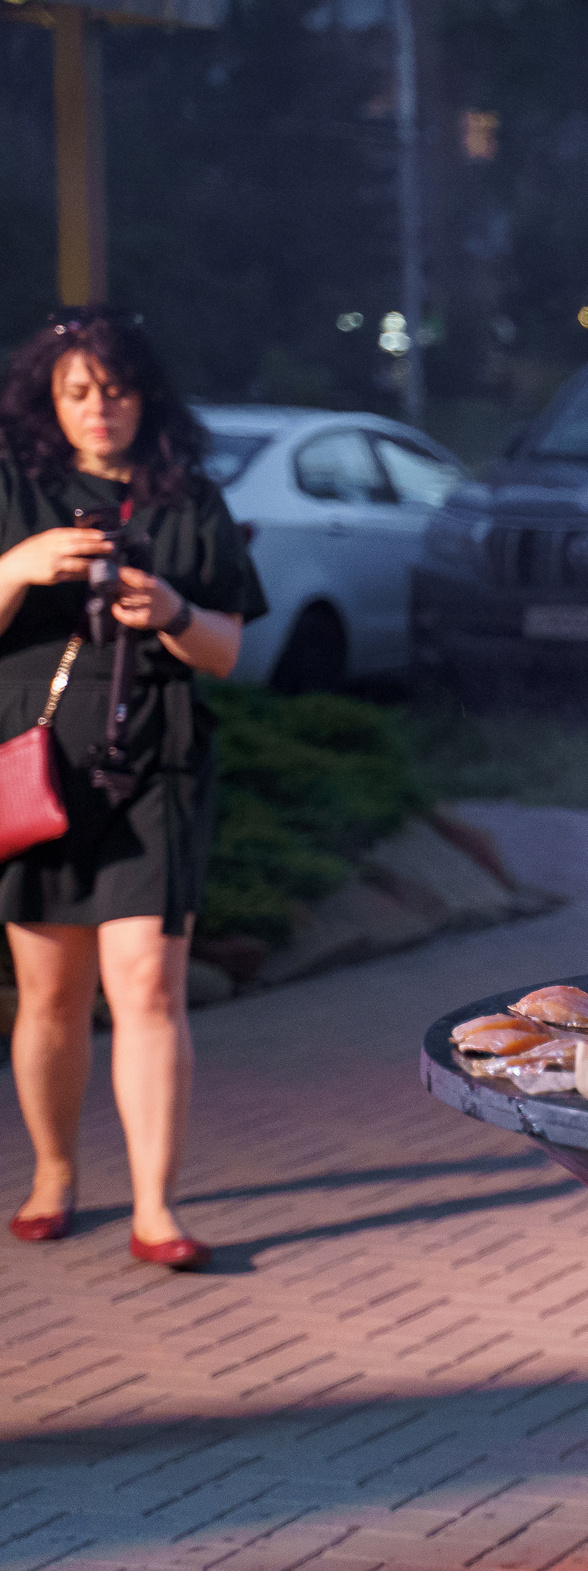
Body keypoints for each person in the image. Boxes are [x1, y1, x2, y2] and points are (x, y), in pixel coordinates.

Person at [1, 308, 266, 1270]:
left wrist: (175, 609)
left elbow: (227, 651)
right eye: (77, 392)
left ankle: (156, 1207)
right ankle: (55, 1174)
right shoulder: (15, 487)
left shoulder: (186, 499)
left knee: (148, 987)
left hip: (155, 761)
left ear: (143, 396)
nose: (97, 408)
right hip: (36, 767)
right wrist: (20, 566)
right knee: (49, 992)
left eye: (113, 390)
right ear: (49, 399)